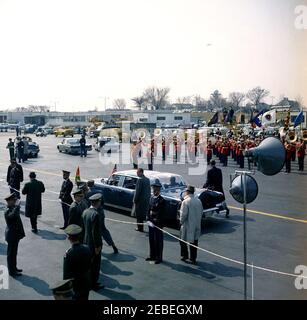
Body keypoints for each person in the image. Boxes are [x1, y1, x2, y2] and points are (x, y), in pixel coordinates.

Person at [87, 181, 118, 254]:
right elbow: (103, 202)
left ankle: (95, 246)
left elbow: (88, 204)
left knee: (93, 230)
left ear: (88, 186)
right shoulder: (100, 192)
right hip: (101, 212)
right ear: (94, 184)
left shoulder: (88, 194)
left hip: (93, 213)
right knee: (103, 229)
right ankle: (113, 245)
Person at [63, 224, 92, 300]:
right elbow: (89, 265)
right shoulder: (87, 248)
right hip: (85, 282)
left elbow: (66, 275)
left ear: (69, 238)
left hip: (75, 286)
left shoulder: (69, 253)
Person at [82, 193, 104, 291]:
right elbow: (96, 233)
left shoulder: (85, 212)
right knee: (95, 265)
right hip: (93, 245)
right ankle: (93, 283)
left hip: (86, 242)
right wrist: (98, 246)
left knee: (89, 265)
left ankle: (89, 282)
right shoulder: (96, 214)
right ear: (98, 202)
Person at [179, 185, 203, 265]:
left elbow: (183, 215)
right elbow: (201, 212)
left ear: (187, 192)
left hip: (187, 225)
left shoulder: (185, 202)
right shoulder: (198, 201)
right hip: (196, 224)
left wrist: (181, 222)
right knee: (194, 242)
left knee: (183, 240)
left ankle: (184, 255)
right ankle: (193, 258)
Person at [4, 193, 25, 277]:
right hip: (11, 236)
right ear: (10, 201)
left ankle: (14, 268)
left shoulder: (12, 208)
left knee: (14, 253)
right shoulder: (7, 211)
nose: (16, 201)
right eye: (14, 200)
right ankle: (11, 271)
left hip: (15, 235)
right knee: (11, 254)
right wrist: (17, 206)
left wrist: (16, 207)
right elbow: (12, 216)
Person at [146, 182, 165, 264]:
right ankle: (152, 255)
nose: (154, 191)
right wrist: (147, 218)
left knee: (158, 241)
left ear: (159, 190)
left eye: (156, 189)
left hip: (157, 224)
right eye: (154, 189)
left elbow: (161, 212)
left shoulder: (162, 200)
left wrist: (156, 219)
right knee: (151, 239)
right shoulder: (151, 198)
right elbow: (148, 208)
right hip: (151, 223)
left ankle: (159, 257)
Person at [132, 168, 151, 232]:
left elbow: (137, 191)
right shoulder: (147, 179)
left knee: (138, 215)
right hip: (145, 201)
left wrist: (134, 200)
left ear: (141, 172)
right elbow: (149, 191)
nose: (137, 174)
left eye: (137, 172)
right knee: (143, 215)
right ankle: (142, 227)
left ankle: (140, 228)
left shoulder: (140, 180)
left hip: (139, 201)